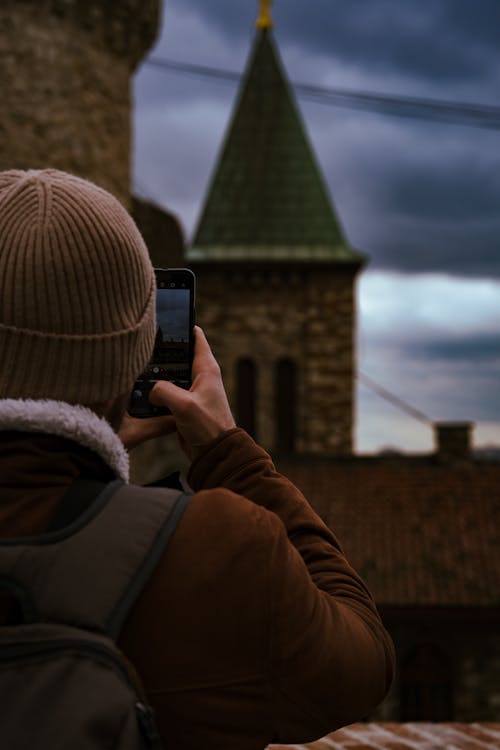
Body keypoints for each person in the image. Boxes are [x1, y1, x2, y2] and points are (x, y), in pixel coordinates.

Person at [0, 169, 395, 749]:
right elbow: (362, 666)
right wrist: (228, 455)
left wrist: (84, 454)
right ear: (137, 357)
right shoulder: (218, 548)